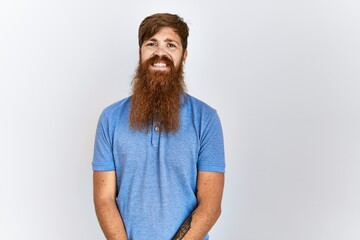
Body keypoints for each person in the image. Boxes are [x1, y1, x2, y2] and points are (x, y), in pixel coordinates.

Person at [92, 13, 225, 240]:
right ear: (140, 53)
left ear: (184, 55)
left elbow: (211, 205)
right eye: (151, 44)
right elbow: (104, 198)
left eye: (170, 45)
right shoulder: (110, 118)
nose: (160, 53)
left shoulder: (206, 119)